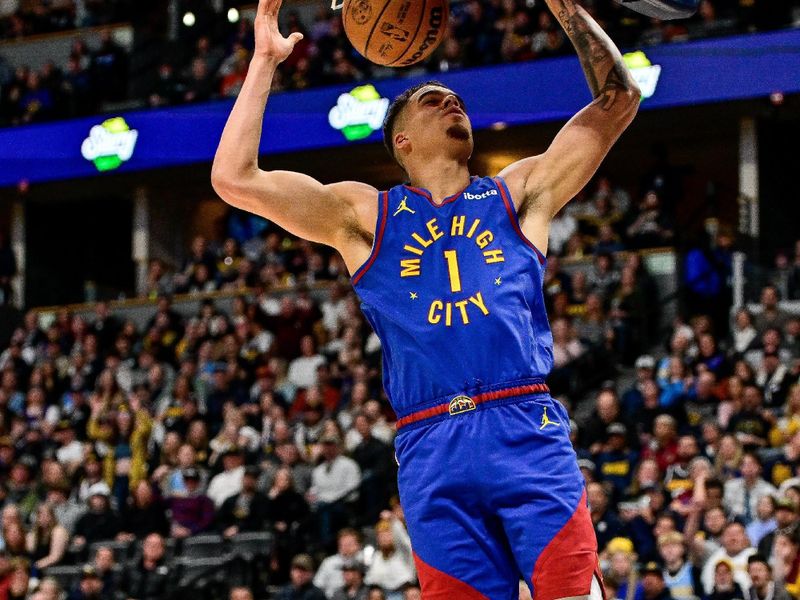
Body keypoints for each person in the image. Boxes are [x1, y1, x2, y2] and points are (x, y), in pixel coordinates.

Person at [211, 0, 640, 595]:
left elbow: (618, 100)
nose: (452, 102)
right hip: (429, 442)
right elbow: (234, 178)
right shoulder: (365, 215)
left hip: (523, 423)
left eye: (456, 98)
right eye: (432, 100)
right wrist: (263, 62)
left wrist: (567, 8)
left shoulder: (516, 193)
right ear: (403, 141)